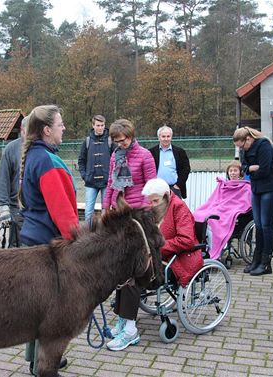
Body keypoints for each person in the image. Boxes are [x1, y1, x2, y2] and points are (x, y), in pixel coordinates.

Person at [18, 105, 78, 374]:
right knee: (49, 312)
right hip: (46, 246)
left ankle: (37, 360)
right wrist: (79, 243)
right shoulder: (46, 161)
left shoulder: (35, 155)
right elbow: (62, 213)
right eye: (60, 124)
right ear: (46, 130)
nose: (63, 128)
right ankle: (42, 364)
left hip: (33, 239)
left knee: (36, 310)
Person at [102, 118, 156, 351]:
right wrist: (106, 208)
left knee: (132, 272)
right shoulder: (116, 156)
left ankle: (131, 330)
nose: (119, 144)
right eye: (115, 141)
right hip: (119, 217)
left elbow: (152, 188)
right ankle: (123, 319)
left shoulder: (144, 156)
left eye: (122, 140)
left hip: (139, 218)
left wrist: (140, 214)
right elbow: (111, 185)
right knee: (119, 272)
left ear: (131, 136)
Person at [233, 126, 273, 275]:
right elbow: (243, 168)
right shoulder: (244, 149)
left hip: (271, 188)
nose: (241, 149)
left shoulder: (264, 145)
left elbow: (264, 170)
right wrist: (250, 169)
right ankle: (256, 259)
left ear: (248, 139)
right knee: (258, 225)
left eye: (242, 145)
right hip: (256, 189)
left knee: (266, 225)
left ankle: (265, 262)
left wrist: (251, 170)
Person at [142, 178, 202, 287]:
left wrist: (158, 247)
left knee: (135, 273)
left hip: (177, 260)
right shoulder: (158, 207)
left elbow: (186, 240)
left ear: (166, 195)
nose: (152, 205)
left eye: (155, 201)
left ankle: (125, 303)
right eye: (150, 201)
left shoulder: (179, 207)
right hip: (160, 257)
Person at [0, 115, 29, 246]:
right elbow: (3, 179)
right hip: (15, 209)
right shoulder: (11, 149)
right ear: (22, 130)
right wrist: (3, 207)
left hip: (33, 210)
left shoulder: (38, 149)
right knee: (14, 246)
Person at [77, 115, 112, 226]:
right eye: (98, 125)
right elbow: (81, 161)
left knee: (106, 212)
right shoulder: (87, 141)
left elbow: (116, 160)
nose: (100, 128)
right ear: (93, 126)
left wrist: (111, 177)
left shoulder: (110, 141)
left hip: (106, 182)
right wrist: (85, 175)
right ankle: (89, 235)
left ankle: (104, 234)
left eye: (102, 125)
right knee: (88, 212)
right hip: (90, 182)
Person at [148, 126, 191, 199]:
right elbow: (147, 170)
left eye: (168, 136)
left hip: (174, 189)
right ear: (159, 137)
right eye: (163, 136)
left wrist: (177, 185)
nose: (166, 139)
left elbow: (186, 169)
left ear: (171, 137)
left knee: (175, 210)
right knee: (158, 210)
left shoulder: (180, 152)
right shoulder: (151, 152)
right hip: (157, 189)